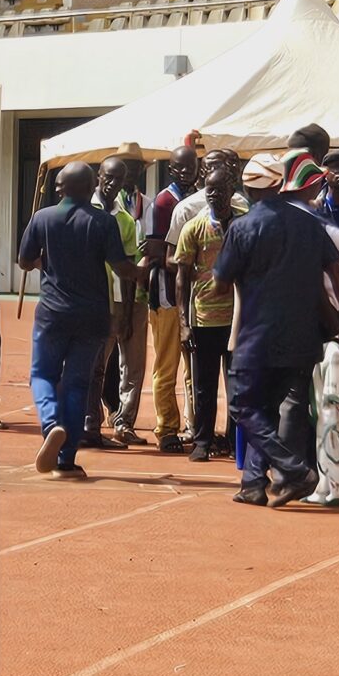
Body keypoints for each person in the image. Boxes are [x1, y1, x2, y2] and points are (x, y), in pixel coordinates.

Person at [215, 151, 339, 506]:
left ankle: (294, 470)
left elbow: (220, 282)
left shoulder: (242, 226)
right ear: (280, 184)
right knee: (269, 407)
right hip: (302, 335)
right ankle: (252, 483)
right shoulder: (310, 225)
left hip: (257, 334)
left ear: (248, 190)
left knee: (243, 406)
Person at [16, 160, 136, 477]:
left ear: (59, 189)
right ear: (92, 186)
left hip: (52, 314)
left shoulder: (42, 218)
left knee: (42, 374)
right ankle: (66, 459)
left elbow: (24, 260)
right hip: (93, 317)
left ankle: (51, 424)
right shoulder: (104, 222)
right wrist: (144, 270)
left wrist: (47, 262)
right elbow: (122, 267)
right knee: (77, 384)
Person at [172, 151, 244, 461]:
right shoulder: (194, 227)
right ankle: (202, 441)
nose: (215, 196)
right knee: (204, 386)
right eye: (210, 190)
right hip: (204, 319)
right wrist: (183, 323)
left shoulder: (244, 223)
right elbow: (181, 277)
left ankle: (234, 440)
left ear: (232, 189)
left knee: (237, 385)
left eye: (220, 190)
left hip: (238, 319)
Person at [142, 139, 201, 454]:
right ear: (171, 169)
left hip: (195, 297)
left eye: (192, 166)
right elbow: (156, 252)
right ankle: (166, 428)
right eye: (180, 166)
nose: (187, 171)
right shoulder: (164, 202)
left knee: (194, 367)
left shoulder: (202, 198)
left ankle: (195, 425)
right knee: (167, 364)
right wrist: (190, 262)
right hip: (166, 294)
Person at [85, 153, 146, 446]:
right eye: (108, 177)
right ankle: (91, 422)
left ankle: (124, 422)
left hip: (128, 300)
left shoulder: (125, 218)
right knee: (97, 364)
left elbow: (129, 265)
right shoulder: (87, 210)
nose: (112, 183)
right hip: (99, 300)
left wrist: (129, 311)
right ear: (99, 176)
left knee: (133, 365)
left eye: (118, 179)